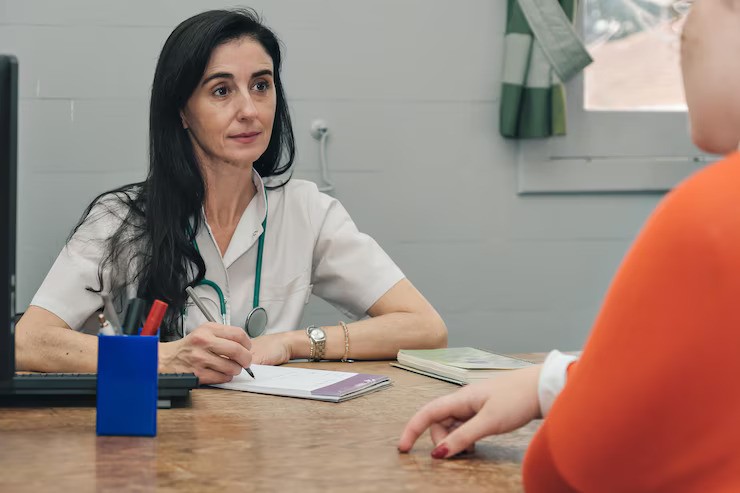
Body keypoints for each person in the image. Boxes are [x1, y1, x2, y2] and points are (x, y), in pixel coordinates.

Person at [399, 0, 740, 491]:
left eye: (694, 7)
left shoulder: (712, 214)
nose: (680, 34)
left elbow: (569, 471)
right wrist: (550, 384)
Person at [15, 8, 447, 385]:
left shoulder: (306, 210)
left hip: (260, 446)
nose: (249, 110)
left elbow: (425, 326)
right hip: (153, 440)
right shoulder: (120, 219)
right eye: (221, 90)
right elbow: (28, 340)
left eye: (261, 85)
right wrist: (164, 357)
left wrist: (291, 342)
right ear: (182, 111)